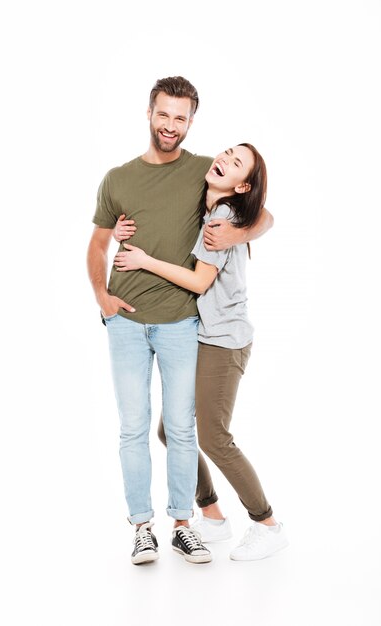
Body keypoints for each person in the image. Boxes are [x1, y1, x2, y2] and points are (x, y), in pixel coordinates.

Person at [87, 76, 273, 565]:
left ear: (191, 122)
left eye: (181, 117)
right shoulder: (119, 177)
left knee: (189, 431)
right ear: (149, 113)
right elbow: (98, 243)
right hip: (125, 322)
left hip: (184, 325)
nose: (171, 125)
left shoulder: (206, 174)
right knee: (137, 427)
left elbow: (264, 214)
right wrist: (102, 296)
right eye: (164, 114)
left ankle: (190, 524)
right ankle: (143, 527)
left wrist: (233, 235)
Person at [113, 142, 289, 561]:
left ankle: (267, 524)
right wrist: (121, 231)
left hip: (224, 341)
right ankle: (211, 515)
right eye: (227, 152)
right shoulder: (209, 203)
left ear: (243, 184)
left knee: (213, 435)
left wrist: (143, 260)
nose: (223, 160)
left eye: (236, 163)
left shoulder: (225, 216)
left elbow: (199, 282)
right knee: (166, 431)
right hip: (202, 334)